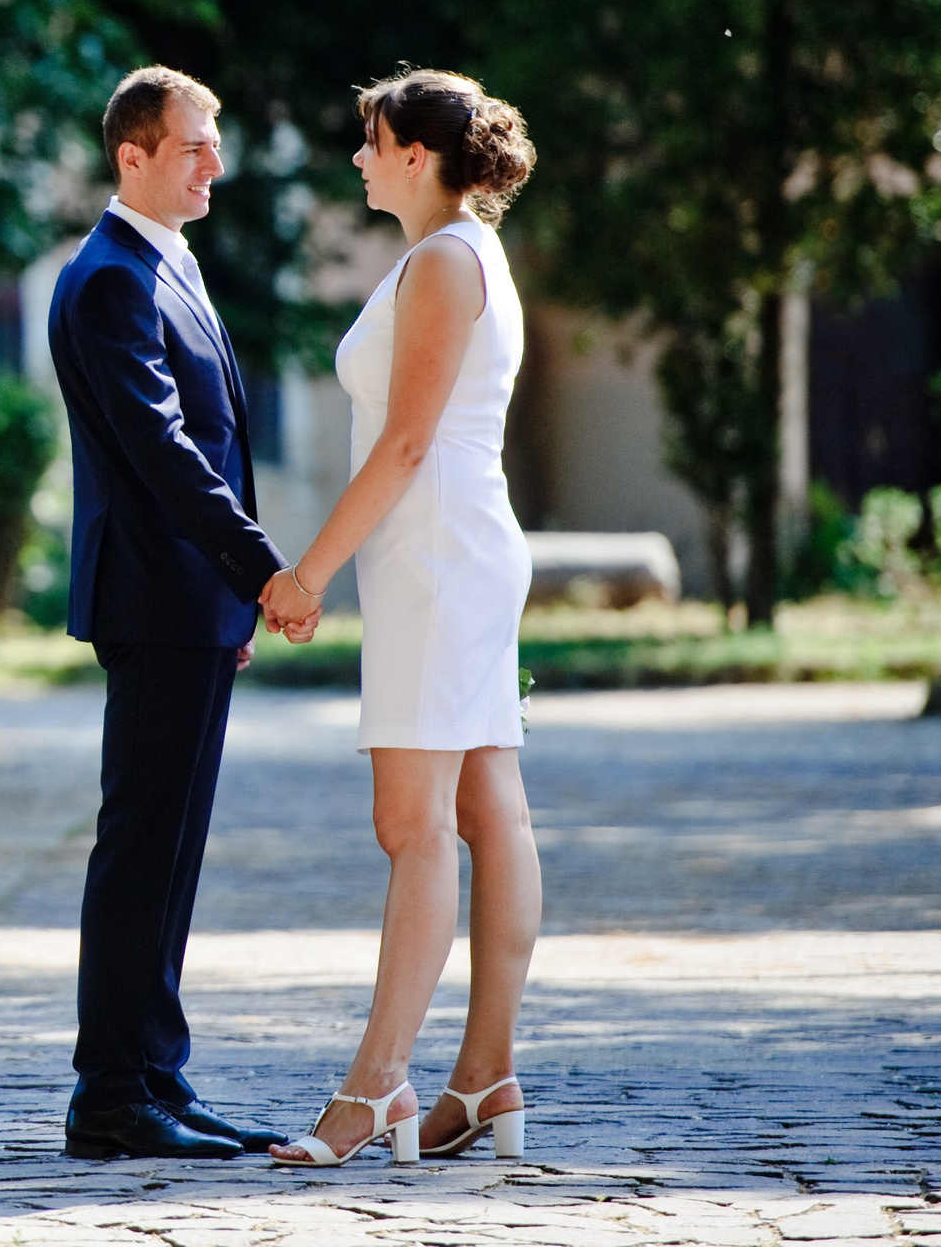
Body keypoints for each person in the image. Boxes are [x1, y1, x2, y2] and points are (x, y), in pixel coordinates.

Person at [259, 68, 543, 1169]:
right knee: (485, 804)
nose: (358, 159)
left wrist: (308, 575)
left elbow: (408, 441)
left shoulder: (441, 261)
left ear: (416, 155)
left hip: (436, 557)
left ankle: (375, 1085)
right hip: (457, 549)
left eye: (370, 142)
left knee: (411, 823)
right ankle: (484, 1076)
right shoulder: (466, 251)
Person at [46, 67, 301, 1161]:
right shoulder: (111, 278)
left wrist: (231, 594)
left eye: (214, 144)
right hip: (154, 599)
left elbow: (212, 440)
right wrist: (262, 571)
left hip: (189, 603)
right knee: (143, 847)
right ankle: (110, 1096)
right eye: (194, 146)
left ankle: (155, 1074)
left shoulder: (165, 263)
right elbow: (165, 454)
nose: (214, 165)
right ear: (133, 156)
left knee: (170, 852)